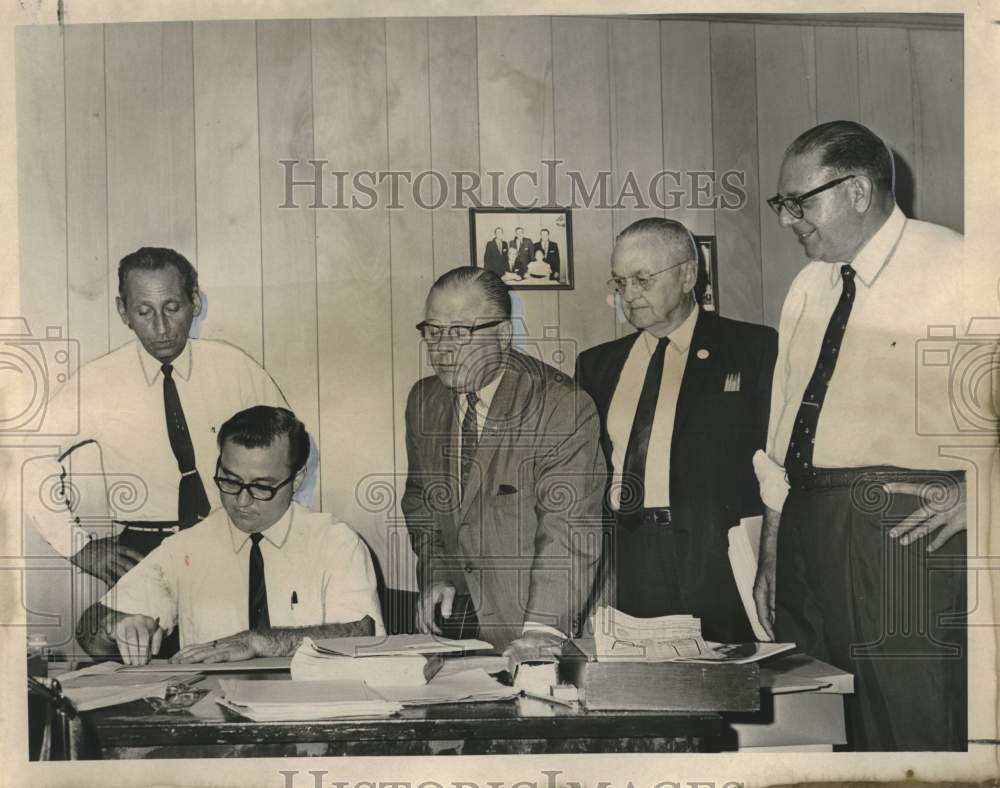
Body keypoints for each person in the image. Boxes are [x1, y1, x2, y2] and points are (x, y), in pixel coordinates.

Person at [752, 120, 975, 750]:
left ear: (858, 190)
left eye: (801, 202)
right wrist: (774, 550)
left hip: (902, 532)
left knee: (910, 725)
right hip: (805, 528)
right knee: (816, 724)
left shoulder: (954, 264)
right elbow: (782, 431)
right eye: (783, 204)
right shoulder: (808, 285)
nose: (788, 220)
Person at [28, 248, 291, 589]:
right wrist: (77, 547)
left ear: (194, 301)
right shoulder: (96, 382)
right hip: (144, 550)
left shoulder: (234, 368)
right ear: (123, 311)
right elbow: (25, 456)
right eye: (144, 311)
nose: (162, 328)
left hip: (235, 538)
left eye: (172, 308)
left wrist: (280, 535)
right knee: (101, 638)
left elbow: (290, 450)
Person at [575, 218, 776, 642]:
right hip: (626, 561)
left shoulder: (752, 349)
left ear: (688, 275)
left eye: (643, 279)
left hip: (717, 559)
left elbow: (775, 464)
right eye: (620, 282)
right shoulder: (596, 365)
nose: (630, 295)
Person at [76, 406, 383, 665]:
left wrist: (260, 642)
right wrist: (114, 628)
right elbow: (89, 629)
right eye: (230, 481)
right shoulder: (188, 547)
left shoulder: (336, 542)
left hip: (311, 716)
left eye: (262, 486)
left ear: (298, 477)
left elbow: (361, 633)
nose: (241, 501)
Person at [402, 267, 605, 655]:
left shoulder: (560, 405)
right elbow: (421, 500)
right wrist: (439, 571)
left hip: (537, 618)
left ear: (503, 333)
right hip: (459, 623)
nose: (443, 349)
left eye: (461, 332)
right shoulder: (423, 401)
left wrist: (544, 629)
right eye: (433, 331)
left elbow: (570, 526)